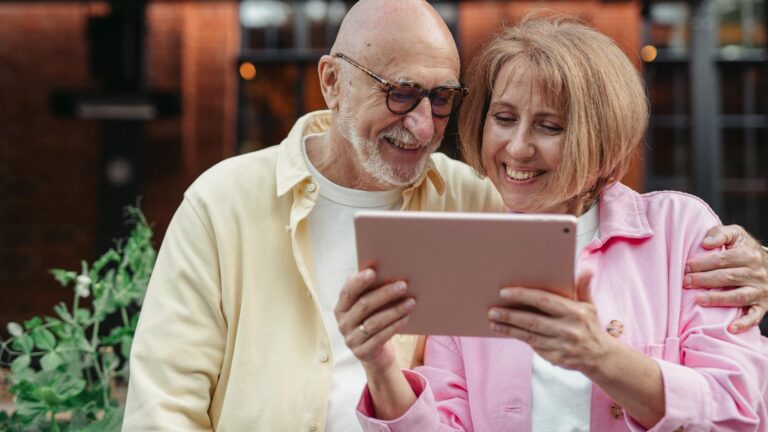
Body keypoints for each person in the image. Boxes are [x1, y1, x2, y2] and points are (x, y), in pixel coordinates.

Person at [122, 1, 768, 430]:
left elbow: (745, 402)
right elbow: (165, 403)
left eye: (439, 99)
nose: (422, 125)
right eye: (400, 93)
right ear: (332, 82)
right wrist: (382, 368)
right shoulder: (225, 200)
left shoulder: (480, 208)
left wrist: (757, 266)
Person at [340, 16, 768, 431]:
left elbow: (740, 411)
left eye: (549, 126)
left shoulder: (681, 231)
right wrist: (381, 368)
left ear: (604, 137)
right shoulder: (468, 256)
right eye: (504, 118)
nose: (518, 148)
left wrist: (601, 357)